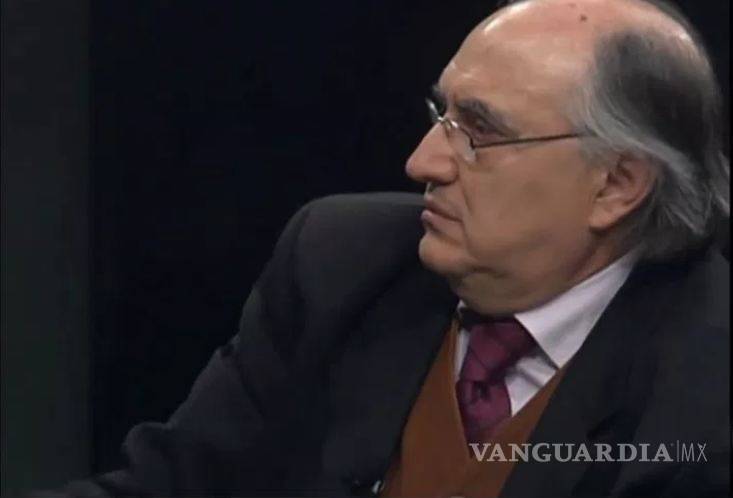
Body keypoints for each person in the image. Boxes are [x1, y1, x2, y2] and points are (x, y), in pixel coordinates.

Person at [46, 0, 729, 496]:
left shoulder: (704, 393)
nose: (421, 161)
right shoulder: (342, 264)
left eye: (479, 133)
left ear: (616, 185)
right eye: (440, 114)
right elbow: (174, 485)